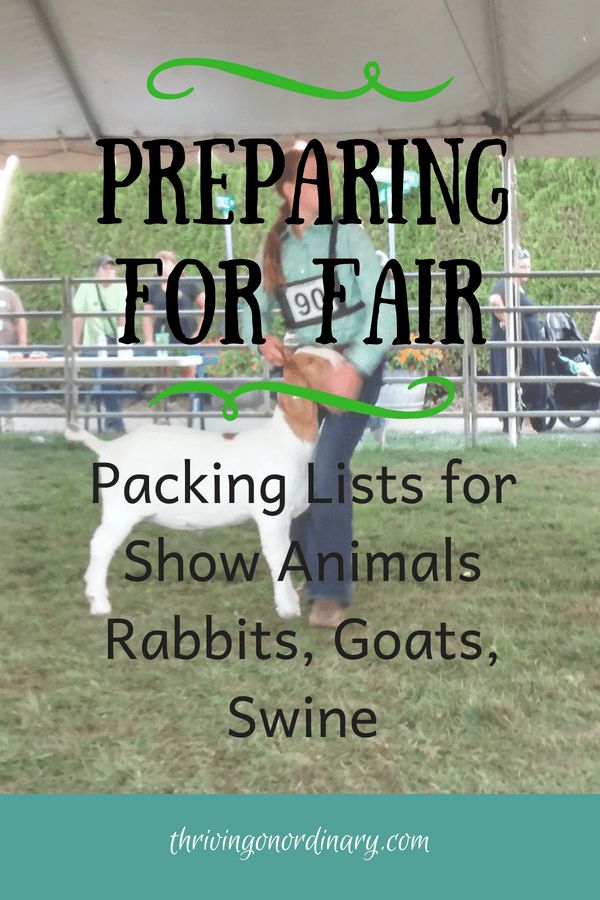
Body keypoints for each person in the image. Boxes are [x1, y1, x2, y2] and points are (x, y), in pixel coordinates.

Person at [251, 148, 395, 628]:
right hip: (307, 371)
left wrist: (354, 370)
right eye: (311, 179)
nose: (325, 187)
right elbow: (257, 313)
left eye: (325, 179)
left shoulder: (350, 235)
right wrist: (264, 341)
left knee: (328, 466)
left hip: (356, 364)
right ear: (287, 189)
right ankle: (315, 579)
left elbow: (385, 310)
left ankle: (331, 593)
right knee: (292, 472)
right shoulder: (273, 248)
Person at [73, 255, 151, 433]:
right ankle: (115, 423)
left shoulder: (121, 287)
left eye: (112, 268)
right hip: (93, 344)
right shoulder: (86, 287)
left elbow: (123, 315)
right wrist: (74, 345)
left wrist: (123, 343)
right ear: (97, 271)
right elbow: (78, 317)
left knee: (114, 382)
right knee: (106, 381)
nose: (109, 272)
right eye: (105, 268)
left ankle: (112, 422)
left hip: (115, 340)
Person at [489, 248, 548, 434]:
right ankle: (524, 424)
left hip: (528, 346)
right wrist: (506, 320)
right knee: (521, 381)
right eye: (522, 267)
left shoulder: (517, 286)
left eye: (528, 266)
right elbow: (494, 301)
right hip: (515, 348)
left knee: (529, 379)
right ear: (512, 266)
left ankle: (528, 423)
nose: (527, 271)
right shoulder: (505, 284)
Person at [0, 276, 27, 430]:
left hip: (7, 348)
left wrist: (22, 346)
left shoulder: (10, 295)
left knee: (6, 383)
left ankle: (8, 421)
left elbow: (20, 320)